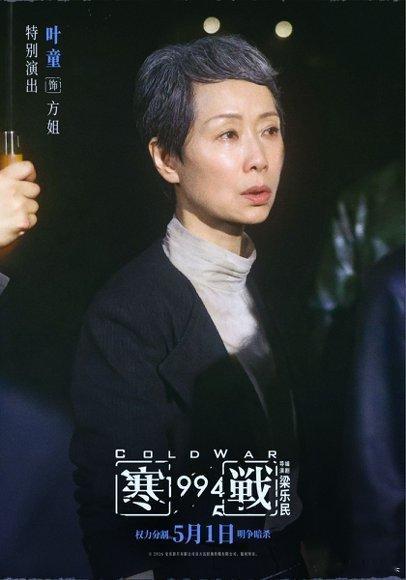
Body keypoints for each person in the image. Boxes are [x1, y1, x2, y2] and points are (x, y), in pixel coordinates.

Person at [70, 35, 307, 579]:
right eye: (228, 134)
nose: (258, 159)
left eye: (270, 130)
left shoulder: (273, 280)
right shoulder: (128, 313)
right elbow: (118, 515)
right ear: (166, 158)